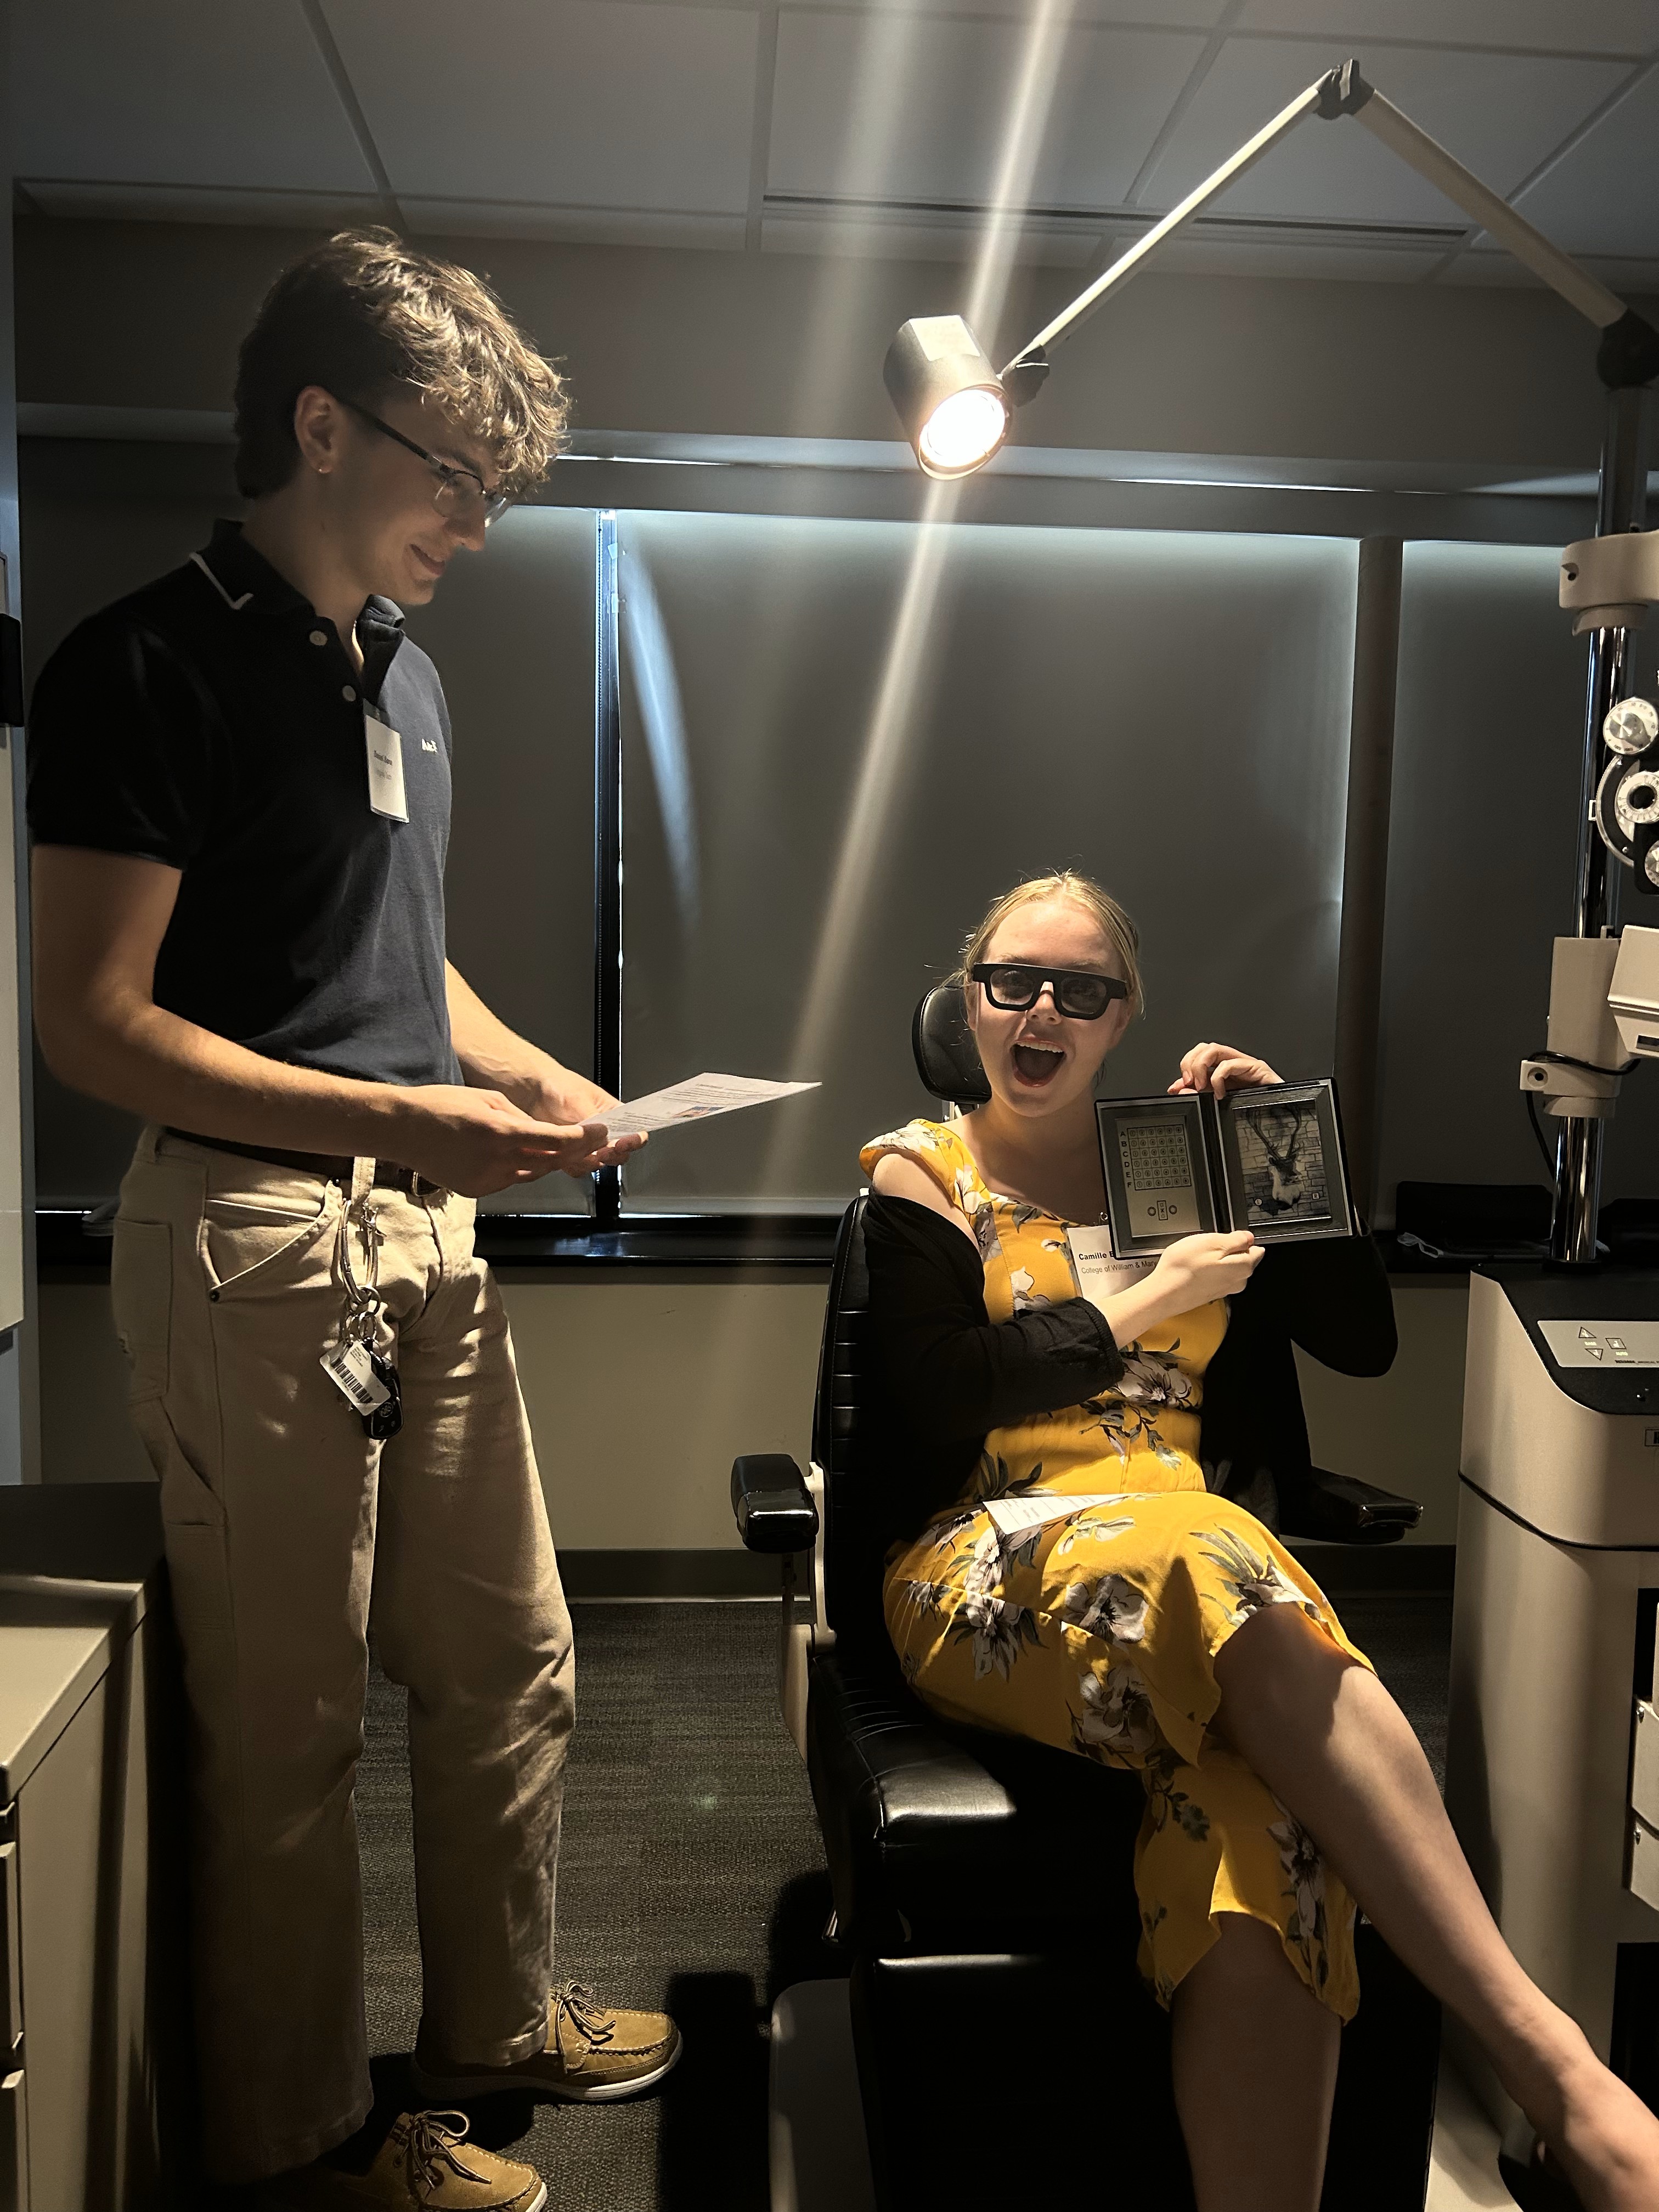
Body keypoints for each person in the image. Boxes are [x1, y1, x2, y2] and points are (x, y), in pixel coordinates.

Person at [27, 231, 678, 2211]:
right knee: (290, 1731)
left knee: (512, 1658)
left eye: (493, 492)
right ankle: (307, 2142)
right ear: (320, 425)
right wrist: (399, 1109)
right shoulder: (141, 662)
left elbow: (396, 964)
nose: (475, 526)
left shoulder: (409, 679)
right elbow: (94, 1023)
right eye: (451, 479)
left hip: (415, 1241)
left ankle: (497, 2019)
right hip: (245, 1248)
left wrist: (526, 1073)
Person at [859, 868, 1659, 2212]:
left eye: (1083, 990)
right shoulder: (922, 1170)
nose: (1043, 1010)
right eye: (1013, 985)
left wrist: (1289, 1153)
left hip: (1195, 1576)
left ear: (1126, 1019)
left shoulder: (1176, 1171)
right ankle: (1561, 2072)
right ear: (971, 1005)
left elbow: (1363, 1339)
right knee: (1210, 1548)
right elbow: (937, 1390)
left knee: (1260, 1838)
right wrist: (1147, 1303)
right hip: (989, 1566)